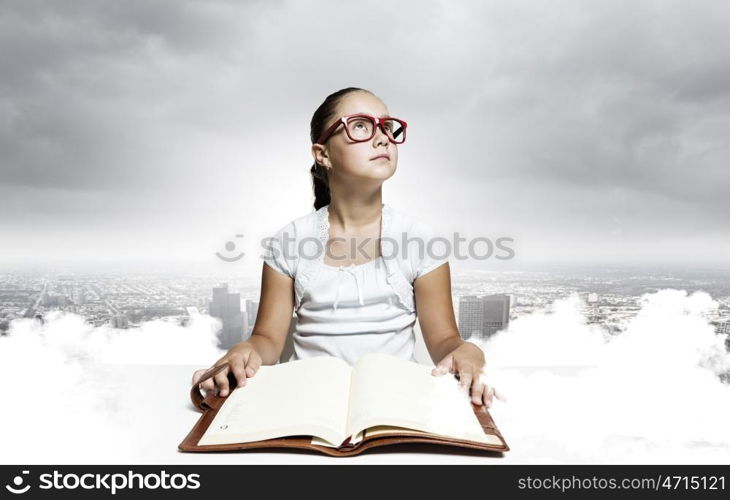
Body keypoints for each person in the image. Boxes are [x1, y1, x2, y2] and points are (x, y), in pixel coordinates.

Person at [192, 87, 504, 408]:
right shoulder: (289, 242)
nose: (382, 138)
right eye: (360, 126)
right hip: (305, 401)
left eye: (386, 127)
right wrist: (244, 353)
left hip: (395, 403)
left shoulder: (421, 242)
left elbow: (445, 341)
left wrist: (469, 352)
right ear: (323, 154)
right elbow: (268, 340)